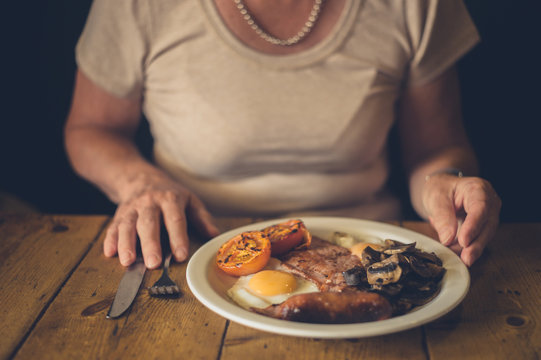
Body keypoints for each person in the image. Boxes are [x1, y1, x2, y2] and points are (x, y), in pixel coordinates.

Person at [65, 0, 501, 270]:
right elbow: (90, 130)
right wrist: (142, 183)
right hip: (189, 252)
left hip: (368, 253)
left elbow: (436, 146)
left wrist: (444, 179)